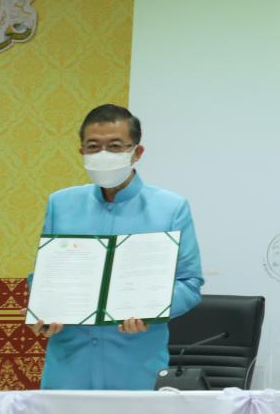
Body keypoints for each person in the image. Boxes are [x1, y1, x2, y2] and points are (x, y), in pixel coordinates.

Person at [29, 104, 204, 389]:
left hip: (136, 363)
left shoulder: (170, 208)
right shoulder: (61, 204)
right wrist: (43, 310)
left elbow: (190, 282)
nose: (103, 155)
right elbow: (47, 273)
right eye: (93, 147)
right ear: (81, 152)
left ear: (136, 152)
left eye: (114, 146)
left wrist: (152, 308)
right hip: (68, 365)